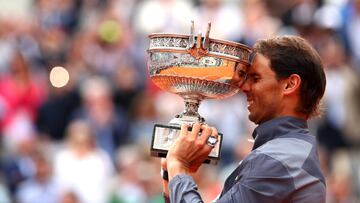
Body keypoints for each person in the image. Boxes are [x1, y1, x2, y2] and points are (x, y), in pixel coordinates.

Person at [160, 35, 327, 202]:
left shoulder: (279, 159)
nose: (244, 87)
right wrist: (171, 177)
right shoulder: (287, 153)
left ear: (290, 84)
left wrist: (179, 165)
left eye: (255, 78)